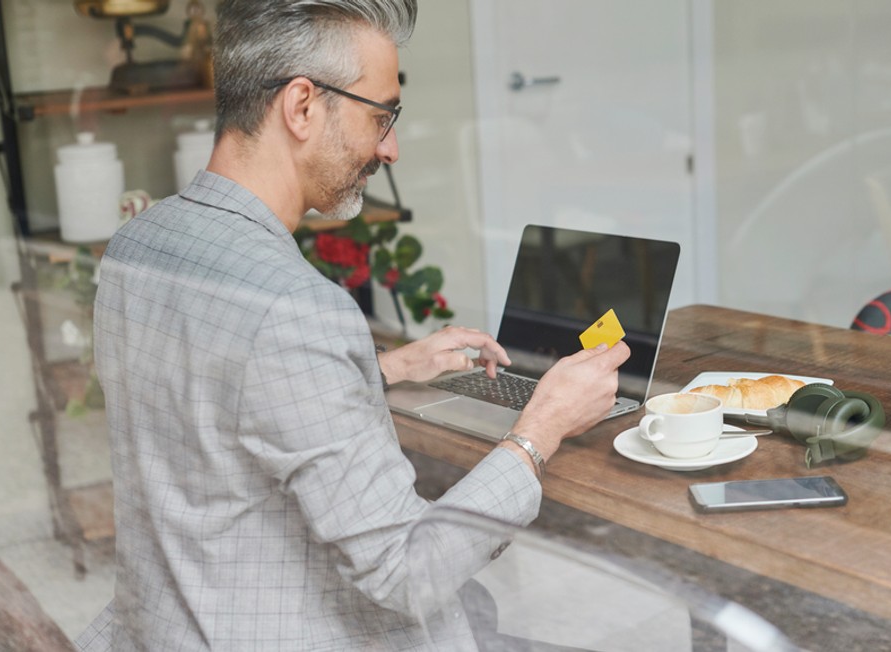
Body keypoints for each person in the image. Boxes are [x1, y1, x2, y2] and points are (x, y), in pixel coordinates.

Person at [76, 1, 630, 649]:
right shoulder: (294, 307)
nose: (390, 148)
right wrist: (541, 427)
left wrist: (382, 367)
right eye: (381, 116)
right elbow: (406, 573)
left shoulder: (139, 243)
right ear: (302, 106)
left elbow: (213, 400)